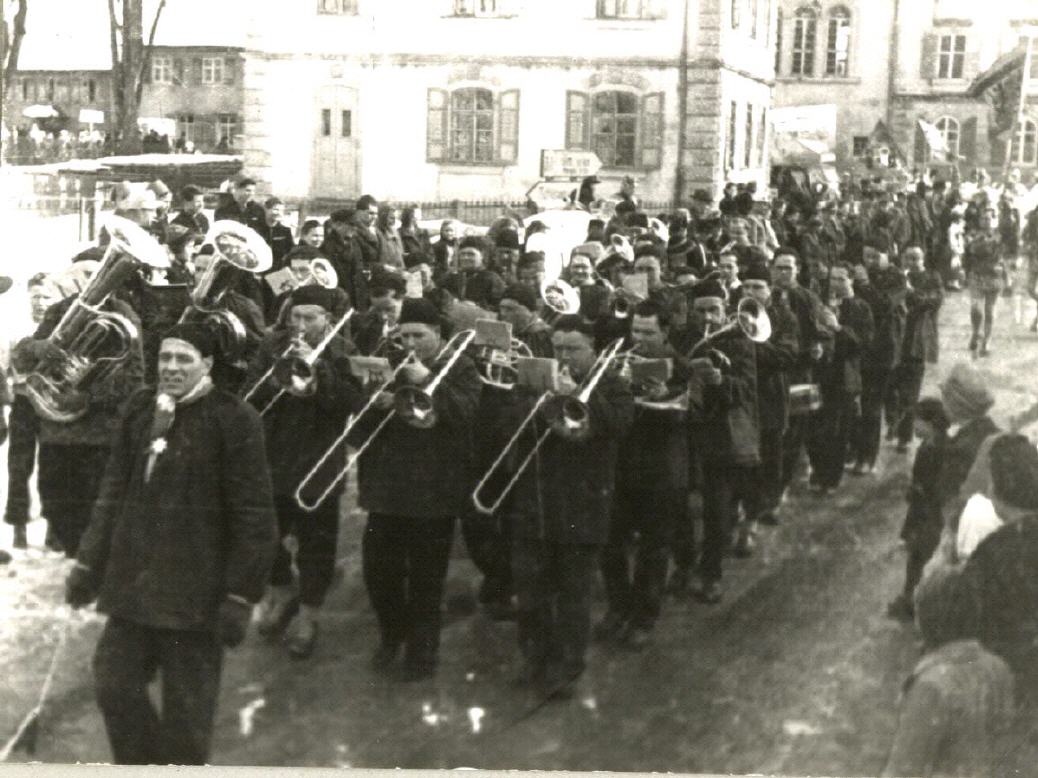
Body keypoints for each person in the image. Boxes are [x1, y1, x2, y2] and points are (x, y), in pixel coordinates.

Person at [64, 323, 278, 765]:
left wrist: (241, 594)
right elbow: (112, 491)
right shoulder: (141, 408)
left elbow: (254, 514)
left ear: (208, 364)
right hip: (132, 584)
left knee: (187, 721)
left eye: (184, 359)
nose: (172, 368)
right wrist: (88, 564)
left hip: (195, 595)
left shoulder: (234, 418)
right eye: (165, 358)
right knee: (112, 682)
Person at [351, 298, 481, 681]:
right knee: (379, 572)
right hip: (387, 489)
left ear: (438, 335)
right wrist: (373, 402)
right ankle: (393, 635)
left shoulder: (462, 366)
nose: (409, 342)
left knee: (426, 577)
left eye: (418, 335)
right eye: (404, 334)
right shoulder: (387, 362)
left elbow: (464, 413)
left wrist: (424, 380)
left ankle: (422, 651)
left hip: (434, 491)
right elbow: (358, 433)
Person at [506, 314, 634, 697]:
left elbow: (620, 424)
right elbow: (510, 423)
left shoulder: (613, 383)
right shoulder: (535, 376)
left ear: (592, 348)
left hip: (584, 501)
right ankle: (535, 658)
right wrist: (541, 400)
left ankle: (567, 667)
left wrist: (577, 394)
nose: (563, 355)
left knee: (574, 593)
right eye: (558, 347)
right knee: (531, 590)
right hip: (537, 500)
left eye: (572, 348)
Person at [246, 286, 363, 659]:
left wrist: (319, 376)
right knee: (264, 539)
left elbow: (352, 402)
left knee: (317, 544)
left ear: (327, 319)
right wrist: (276, 379)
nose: (299, 325)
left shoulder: (343, 350)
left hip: (319, 461)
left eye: (309, 318)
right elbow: (249, 395)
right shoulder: (272, 344)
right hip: (273, 457)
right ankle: (282, 591)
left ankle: (309, 615)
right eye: (295, 316)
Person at [12, 262, 145, 558]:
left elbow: (135, 375)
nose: (94, 280)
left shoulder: (124, 314)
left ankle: (89, 566)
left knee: (94, 503)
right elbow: (22, 356)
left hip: (99, 430)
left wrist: (87, 395)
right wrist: (39, 347)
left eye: (96, 273)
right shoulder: (59, 311)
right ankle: (75, 557)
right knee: (55, 499)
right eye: (85, 275)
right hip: (59, 429)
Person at [597, 299, 689, 647]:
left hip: (661, 470)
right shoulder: (618, 358)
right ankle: (618, 607)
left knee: (654, 548)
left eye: (648, 332)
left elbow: (685, 412)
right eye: (635, 329)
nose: (638, 337)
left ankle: (644, 617)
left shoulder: (679, 366)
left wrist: (665, 394)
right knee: (611, 543)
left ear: (665, 332)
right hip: (621, 466)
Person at [686, 278, 759, 603]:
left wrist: (720, 381)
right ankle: (687, 566)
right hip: (686, 432)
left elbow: (745, 388)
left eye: (714, 310)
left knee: (716, 511)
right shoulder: (685, 339)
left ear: (725, 310)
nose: (707, 318)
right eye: (700, 311)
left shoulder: (739, 342)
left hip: (721, 438)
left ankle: (710, 575)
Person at [806, 262, 874, 495]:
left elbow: (863, 343)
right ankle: (819, 469)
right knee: (814, 426)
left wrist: (837, 328)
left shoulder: (861, 308)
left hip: (844, 376)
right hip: (820, 373)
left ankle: (830, 479)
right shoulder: (823, 305)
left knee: (837, 431)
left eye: (841, 279)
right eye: (832, 279)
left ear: (852, 280)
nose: (835, 284)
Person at [887, 397, 950, 620]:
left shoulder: (934, 448)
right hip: (924, 510)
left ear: (930, 423)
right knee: (917, 557)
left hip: (927, 513)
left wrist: (917, 492)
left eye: (917, 422)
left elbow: (930, 486)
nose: (914, 426)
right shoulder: (933, 444)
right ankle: (911, 598)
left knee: (919, 559)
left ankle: (912, 601)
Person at [894, 246, 943, 451]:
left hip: (917, 340)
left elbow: (934, 300)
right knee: (894, 388)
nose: (911, 263)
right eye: (907, 258)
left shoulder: (932, 277)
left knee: (911, 392)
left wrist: (911, 291)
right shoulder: (897, 277)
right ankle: (895, 422)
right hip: (897, 340)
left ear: (923, 259)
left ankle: (904, 436)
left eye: (915, 258)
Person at [963, 208, 1005, 357]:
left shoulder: (998, 236)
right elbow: (970, 250)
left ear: (993, 220)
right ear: (979, 220)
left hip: (993, 275)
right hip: (976, 275)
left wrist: (1002, 269)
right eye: (983, 218)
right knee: (976, 309)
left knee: (989, 310)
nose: (986, 221)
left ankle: (987, 341)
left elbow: (999, 255)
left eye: (989, 218)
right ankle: (976, 332)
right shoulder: (972, 234)